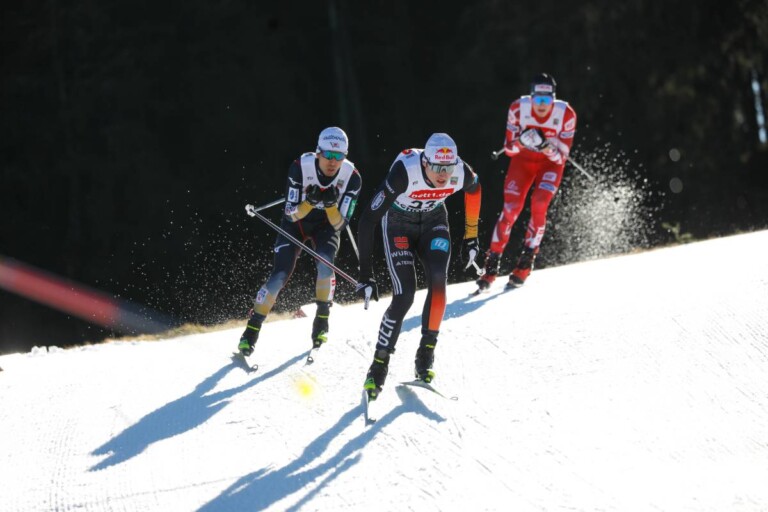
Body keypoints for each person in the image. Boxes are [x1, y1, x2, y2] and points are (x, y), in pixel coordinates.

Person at [355, 133, 481, 401]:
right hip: (399, 223)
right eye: (437, 168)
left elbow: (475, 189)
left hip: (434, 222)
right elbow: (367, 220)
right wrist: (366, 274)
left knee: (438, 280)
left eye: (448, 168)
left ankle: (426, 354)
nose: (443, 175)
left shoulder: (460, 171)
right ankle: (379, 364)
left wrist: (471, 236)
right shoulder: (404, 171)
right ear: (425, 163)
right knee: (405, 295)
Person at [238, 127, 362, 356]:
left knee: (326, 265)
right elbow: (290, 214)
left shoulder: (352, 177)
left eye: (339, 157)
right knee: (279, 276)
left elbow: (340, 225)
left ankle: (322, 321)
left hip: (326, 225)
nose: (333, 162)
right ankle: (251, 331)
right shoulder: (300, 167)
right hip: (296, 224)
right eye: (328, 155)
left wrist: (331, 205)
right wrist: (311, 201)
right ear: (318, 153)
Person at [476, 72, 577, 291]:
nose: (541, 105)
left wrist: (545, 146)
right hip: (522, 163)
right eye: (537, 100)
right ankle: (491, 265)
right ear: (530, 98)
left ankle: (525, 264)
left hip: (550, 165)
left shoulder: (566, 114)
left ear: (554, 99)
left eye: (546, 100)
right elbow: (509, 150)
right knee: (511, 209)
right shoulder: (517, 109)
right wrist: (521, 141)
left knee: (539, 204)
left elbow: (562, 157)